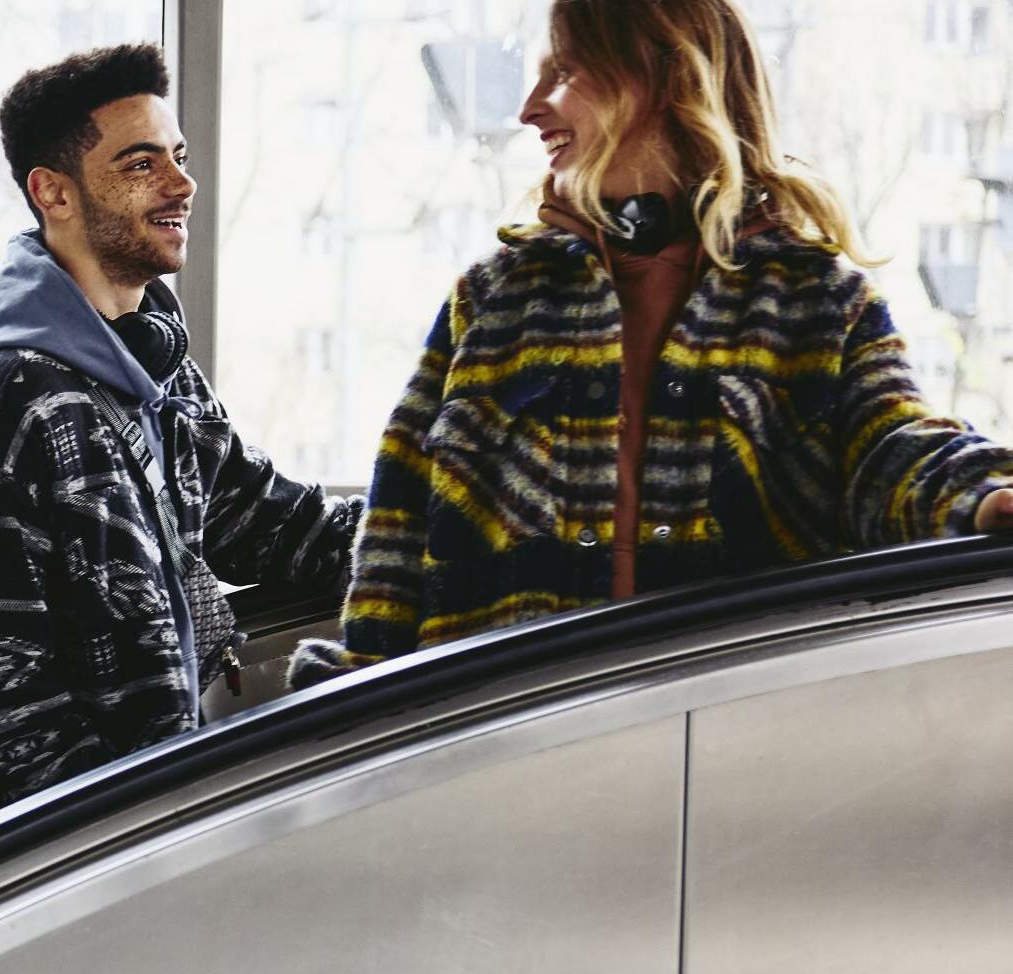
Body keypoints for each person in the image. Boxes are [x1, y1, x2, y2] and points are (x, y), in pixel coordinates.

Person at [291, 0, 1013, 687]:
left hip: (729, 741)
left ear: (665, 77)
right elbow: (397, 529)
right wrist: (355, 705)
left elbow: (896, 448)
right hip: (498, 743)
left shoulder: (818, 300)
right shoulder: (494, 300)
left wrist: (984, 493)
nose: (529, 108)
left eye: (565, 72)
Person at [0, 43, 359, 856]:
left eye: (178, 158)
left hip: (132, 828)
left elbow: (272, 523)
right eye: (142, 164)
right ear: (54, 192)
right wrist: (118, 837)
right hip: (21, 864)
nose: (182, 185)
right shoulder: (6, 396)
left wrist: (467, 548)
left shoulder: (152, 367)